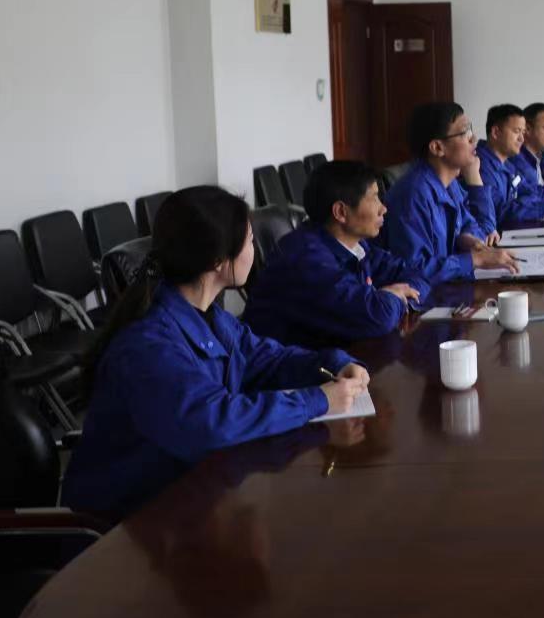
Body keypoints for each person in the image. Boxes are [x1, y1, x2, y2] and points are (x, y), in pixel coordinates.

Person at [62, 186, 371, 520]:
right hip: (127, 524)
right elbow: (212, 422)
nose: (255, 249)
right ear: (218, 260)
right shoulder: (147, 346)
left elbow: (269, 359)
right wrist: (317, 400)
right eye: (250, 240)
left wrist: (336, 362)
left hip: (190, 496)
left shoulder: (210, 317)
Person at [243, 161, 433, 348]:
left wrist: (394, 297)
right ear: (341, 212)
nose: (383, 208)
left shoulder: (356, 246)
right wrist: (392, 298)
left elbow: (418, 274)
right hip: (286, 366)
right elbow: (378, 316)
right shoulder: (304, 258)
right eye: (375, 198)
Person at [381, 101, 519, 283]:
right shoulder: (413, 195)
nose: (473, 139)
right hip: (426, 297)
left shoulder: (450, 184)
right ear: (437, 148)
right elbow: (414, 270)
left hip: (450, 287)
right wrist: (474, 259)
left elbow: (475, 226)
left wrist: (467, 238)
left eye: (470, 130)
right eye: (464, 133)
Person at [474, 103, 541, 230]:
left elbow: (531, 191)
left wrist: (518, 204)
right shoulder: (480, 166)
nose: (522, 139)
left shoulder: (508, 165)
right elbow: (501, 212)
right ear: (495, 132)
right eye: (516, 131)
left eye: (523, 132)